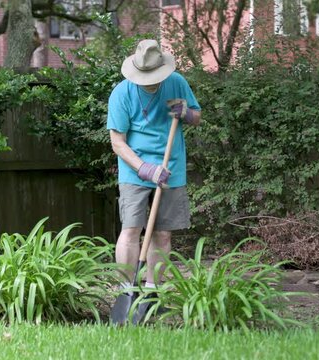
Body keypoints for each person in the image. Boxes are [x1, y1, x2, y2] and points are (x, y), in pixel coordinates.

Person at [107, 39, 202, 295]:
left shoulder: (176, 83)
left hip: (171, 166)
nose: (150, 81)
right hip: (134, 169)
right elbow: (118, 143)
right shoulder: (121, 93)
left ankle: (151, 291)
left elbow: (197, 117)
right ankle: (126, 291)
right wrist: (145, 169)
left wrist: (186, 114)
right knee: (131, 230)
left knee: (162, 234)